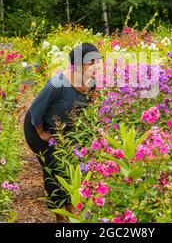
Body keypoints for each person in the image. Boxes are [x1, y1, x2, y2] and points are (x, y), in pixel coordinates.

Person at [23, 43, 103, 222]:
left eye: (98, 61)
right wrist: (42, 132)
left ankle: (71, 210)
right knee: (55, 170)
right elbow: (36, 109)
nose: (96, 66)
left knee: (72, 166)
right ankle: (61, 217)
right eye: (90, 62)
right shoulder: (57, 83)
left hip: (64, 130)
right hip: (39, 128)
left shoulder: (91, 83)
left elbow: (84, 109)